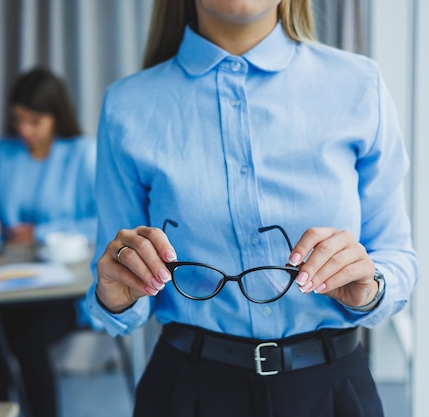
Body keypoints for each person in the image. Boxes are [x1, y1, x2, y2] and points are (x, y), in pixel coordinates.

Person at [85, 1, 418, 416]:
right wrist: (116, 296)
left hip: (333, 393)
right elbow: (116, 291)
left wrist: (371, 286)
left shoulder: (359, 84)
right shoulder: (126, 106)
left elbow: (397, 257)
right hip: (187, 394)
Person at [0, 67, 97, 417]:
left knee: (27, 339)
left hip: (68, 288)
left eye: (34, 122)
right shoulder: (0, 153)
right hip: (11, 280)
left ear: (56, 117)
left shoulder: (83, 154)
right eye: (18, 121)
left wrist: (40, 232)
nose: (24, 131)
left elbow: (103, 223)